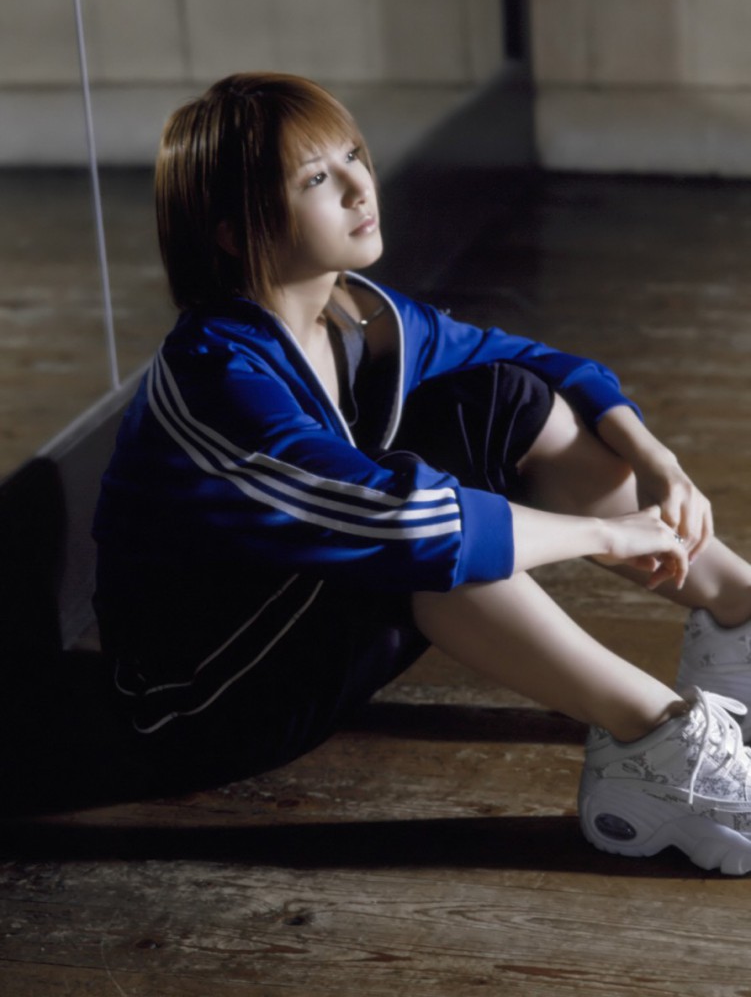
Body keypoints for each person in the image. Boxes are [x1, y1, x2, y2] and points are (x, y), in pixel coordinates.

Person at [92, 71, 751, 874]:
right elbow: (404, 525)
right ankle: (657, 746)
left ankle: (738, 617)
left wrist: (657, 460)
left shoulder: (354, 312)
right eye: (315, 179)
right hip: (202, 701)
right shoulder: (216, 376)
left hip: (294, 615)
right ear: (232, 234)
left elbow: (537, 364)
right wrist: (607, 534)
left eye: (352, 156)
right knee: (422, 532)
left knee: (501, 398)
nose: (358, 187)